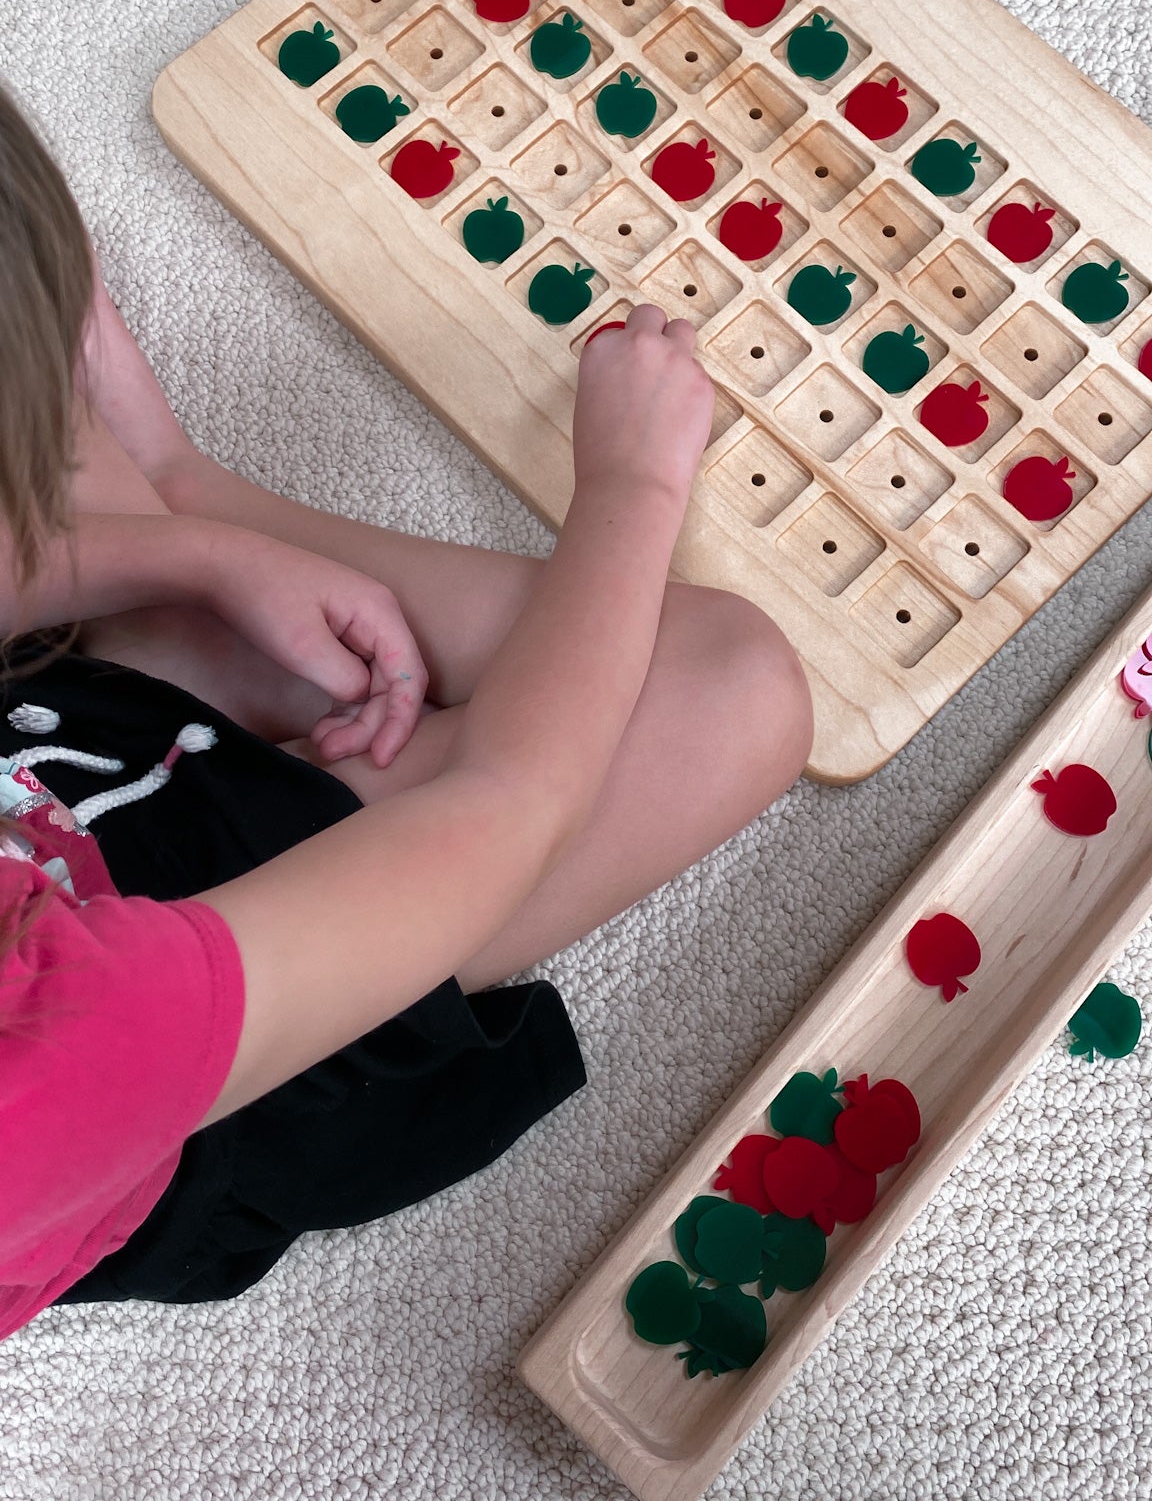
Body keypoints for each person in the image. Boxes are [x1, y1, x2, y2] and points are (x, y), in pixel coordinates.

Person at [0, 77, 812, 1335]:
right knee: (734, 686)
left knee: (48, 404)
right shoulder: (61, 1053)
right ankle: (179, 518)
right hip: (216, 1038)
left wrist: (182, 550)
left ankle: (171, 537)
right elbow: (511, 798)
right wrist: (631, 487)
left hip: (49, 790)